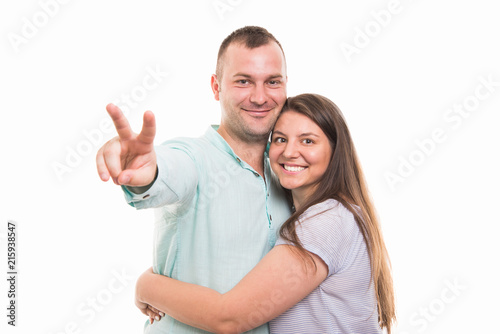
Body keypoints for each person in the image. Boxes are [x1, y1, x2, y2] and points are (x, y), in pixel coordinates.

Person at [135, 94, 396, 333]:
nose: (290, 152)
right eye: (281, 139)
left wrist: (147, 286)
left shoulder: (326, 221)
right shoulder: (333, 213)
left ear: (335, 151)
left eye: (308, 140)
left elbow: (229, 318)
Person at [96, 26, 292, 333]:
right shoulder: (194, 158)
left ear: (285, 86)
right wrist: (145, 174)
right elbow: (168, 171)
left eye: (272, 81)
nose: (259, 96)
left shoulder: (289, 171)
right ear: (216, 87)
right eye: (243, 81)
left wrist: (150, 283)